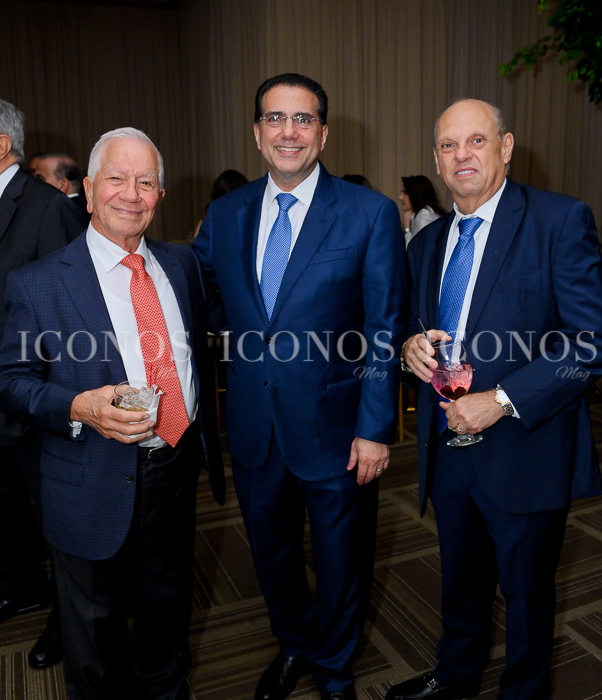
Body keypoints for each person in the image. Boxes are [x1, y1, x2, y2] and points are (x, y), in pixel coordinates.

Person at [389, 99, 602, 700]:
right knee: (459, 580)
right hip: (448, 443)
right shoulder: (426, 243)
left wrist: (503, 399)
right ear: (436, 156)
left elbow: (592, 343)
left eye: (476, 141)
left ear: (506, 147)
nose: (461, 155)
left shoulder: (558, 220)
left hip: (525, 446)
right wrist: (409, 347)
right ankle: (456, 676)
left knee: (527, 595)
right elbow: (413, 327)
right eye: (448, 145)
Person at [193, 73, 407, 700]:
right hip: (254, 426)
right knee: (272, 553)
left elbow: (385, 326)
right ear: (257, 134)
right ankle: (293, 644)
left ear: (324, 133)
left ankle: (335, 669)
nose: (289, 132)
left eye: (303, 119)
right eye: (275, 119)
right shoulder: (226, 215)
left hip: (338, 431)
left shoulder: (368, 213)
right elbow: (202, 297)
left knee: (343, 560)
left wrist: (375, 427)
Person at [0, 127, 225, 700]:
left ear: (160, 196)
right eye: (117, 178)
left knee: (167, 620)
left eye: (146, 182)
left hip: (173, 471)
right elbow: (8, 381)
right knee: (94, 646)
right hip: (88, 478)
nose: (131, 193)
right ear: (89, 190)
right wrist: (77, 405)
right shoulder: (39, 282)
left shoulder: (182, 266)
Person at [0, 97, 85, 667]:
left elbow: (73, 312)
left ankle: (66, 623)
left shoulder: (48, 207)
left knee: (59, 519)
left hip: (36, 396)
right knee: (0, 506)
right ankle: (21, 585)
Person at [30, 152, 91, 226]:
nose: (33, 183)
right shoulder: (89, 210)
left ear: (63, 185)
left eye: (40, 179)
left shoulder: (56, 214)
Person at [399, 175, 446, 247]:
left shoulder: (424, 216)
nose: (400, 197)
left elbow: (414, 250)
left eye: (405, 193)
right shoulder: (420, 214)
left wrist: (407, 228)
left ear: (416, 194)